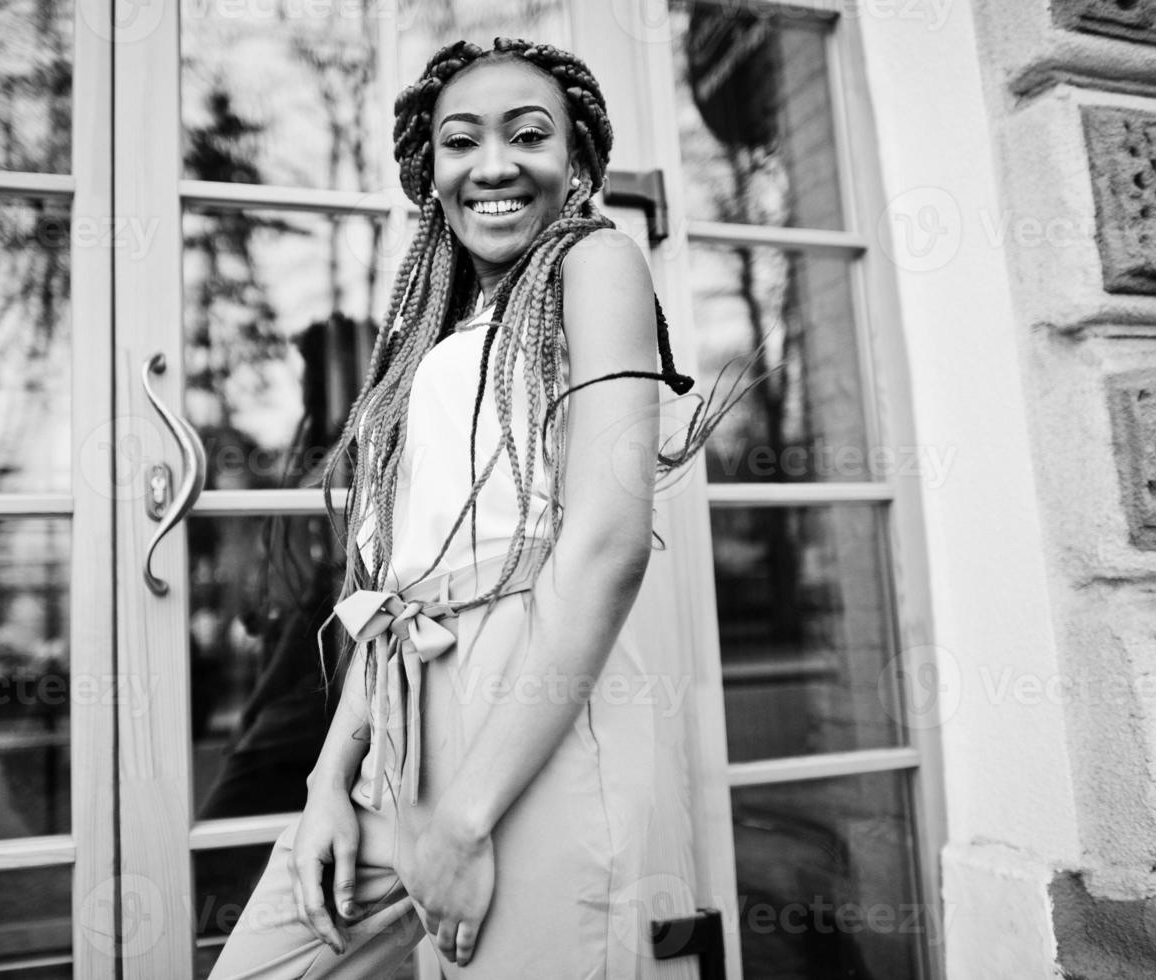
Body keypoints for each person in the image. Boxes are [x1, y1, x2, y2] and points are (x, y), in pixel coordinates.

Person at [208, 35, 756, 980]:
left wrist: (464, 817)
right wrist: (327, 779)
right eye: (461, 141)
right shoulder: (436, 327)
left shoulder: (595, 264)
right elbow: (390, 590)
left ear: (577, 162)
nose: (493, 164)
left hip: (531, 703)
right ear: (430, 171)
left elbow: (607, 546)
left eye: (529, 134)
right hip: (400, 706)